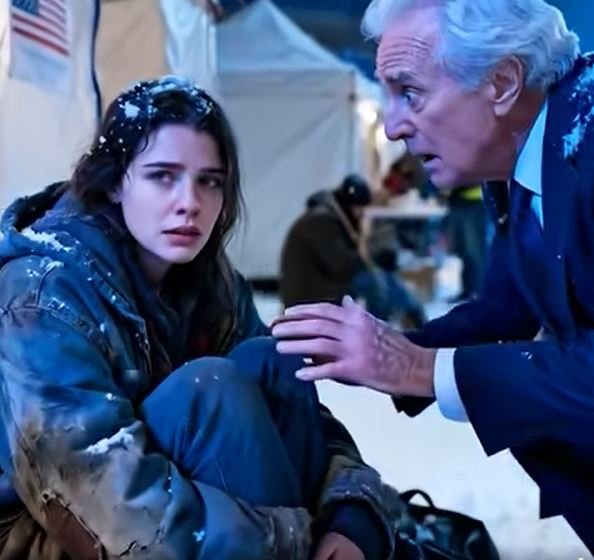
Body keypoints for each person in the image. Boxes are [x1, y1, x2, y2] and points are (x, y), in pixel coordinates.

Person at [0, 77, 401, 559]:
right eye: (162, 176)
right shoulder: (42, 293)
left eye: (209, 181)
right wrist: (289, 543)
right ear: (114, 183)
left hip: (166, 525)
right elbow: (91, 494)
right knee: (208, 393)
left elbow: (308, 425)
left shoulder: (210, 283)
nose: (190, 203)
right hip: (58, 532)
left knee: (273, 360)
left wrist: (352, 514)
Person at [272, 0, 594, 552]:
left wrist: (417, 368)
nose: (392, 125)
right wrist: (393, 349)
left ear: (501, 82)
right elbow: (508, 307)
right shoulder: (527, 151)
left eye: (410, 92)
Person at [280, 174, 426, 327]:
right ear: (349, 205)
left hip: (322, 285)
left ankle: (408, 318)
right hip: (309, 296)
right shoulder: (321, 221)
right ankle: (381, 326)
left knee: (384, 278)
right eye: (359, 208)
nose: (361, 213)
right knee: (374, 282)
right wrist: (369, 252)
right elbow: (341, 265)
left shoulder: (332, 217)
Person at [446, 185, 487, 301]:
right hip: (458, 201)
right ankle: (468, 291)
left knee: (475, 250)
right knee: (464, 252)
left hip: (473, 202)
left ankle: (479, 292)